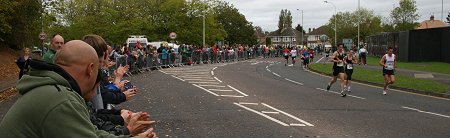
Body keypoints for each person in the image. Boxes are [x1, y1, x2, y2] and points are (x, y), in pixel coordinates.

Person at [0, 40, 155, 138]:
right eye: (98, 70)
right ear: (90, 69)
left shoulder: (54, 90)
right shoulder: (60, 98)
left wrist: (128, 133)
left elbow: (89, 131)